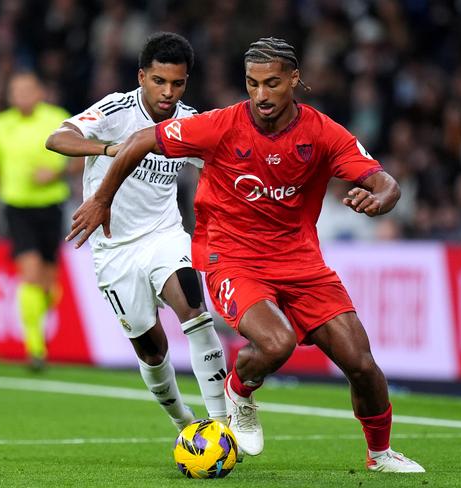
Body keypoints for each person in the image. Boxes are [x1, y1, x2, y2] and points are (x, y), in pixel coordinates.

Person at [65, 37, 426, 473]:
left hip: (301, 262)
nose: (260, 95)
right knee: (276, 342)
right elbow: (142, 140)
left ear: (294, 79)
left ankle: (380, 454)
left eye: (272, 83)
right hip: (232, 258)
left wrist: (380, 200)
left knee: (362, 363)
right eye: (252, 83)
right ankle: (239, 392)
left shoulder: (323, 133)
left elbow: (385, 182)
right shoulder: (219, 125)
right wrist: (102, 199)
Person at [45, 32, 227, 430]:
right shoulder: (116, 109)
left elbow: (223, 164)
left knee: (195, 313)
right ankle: (184, 422)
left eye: (177, 83)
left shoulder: (190, 123)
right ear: (142, 76)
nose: (168, 92)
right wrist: (109, 149)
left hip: (164, 235)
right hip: (113, 250)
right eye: (159, 81)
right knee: (151, 349)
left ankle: (222, 424)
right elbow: (57, 138)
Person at [0, 71, 77, 371]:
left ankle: (37, 335)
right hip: (17, 207)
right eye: (15, 90)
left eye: (27, 89)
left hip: (52, 205)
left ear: (40, 92)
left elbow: (81, 157)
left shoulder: (59, 119)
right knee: (30, 273)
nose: (21, 95)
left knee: (48, 283)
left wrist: (56, 173)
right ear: (9, 95)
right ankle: (35, 348)